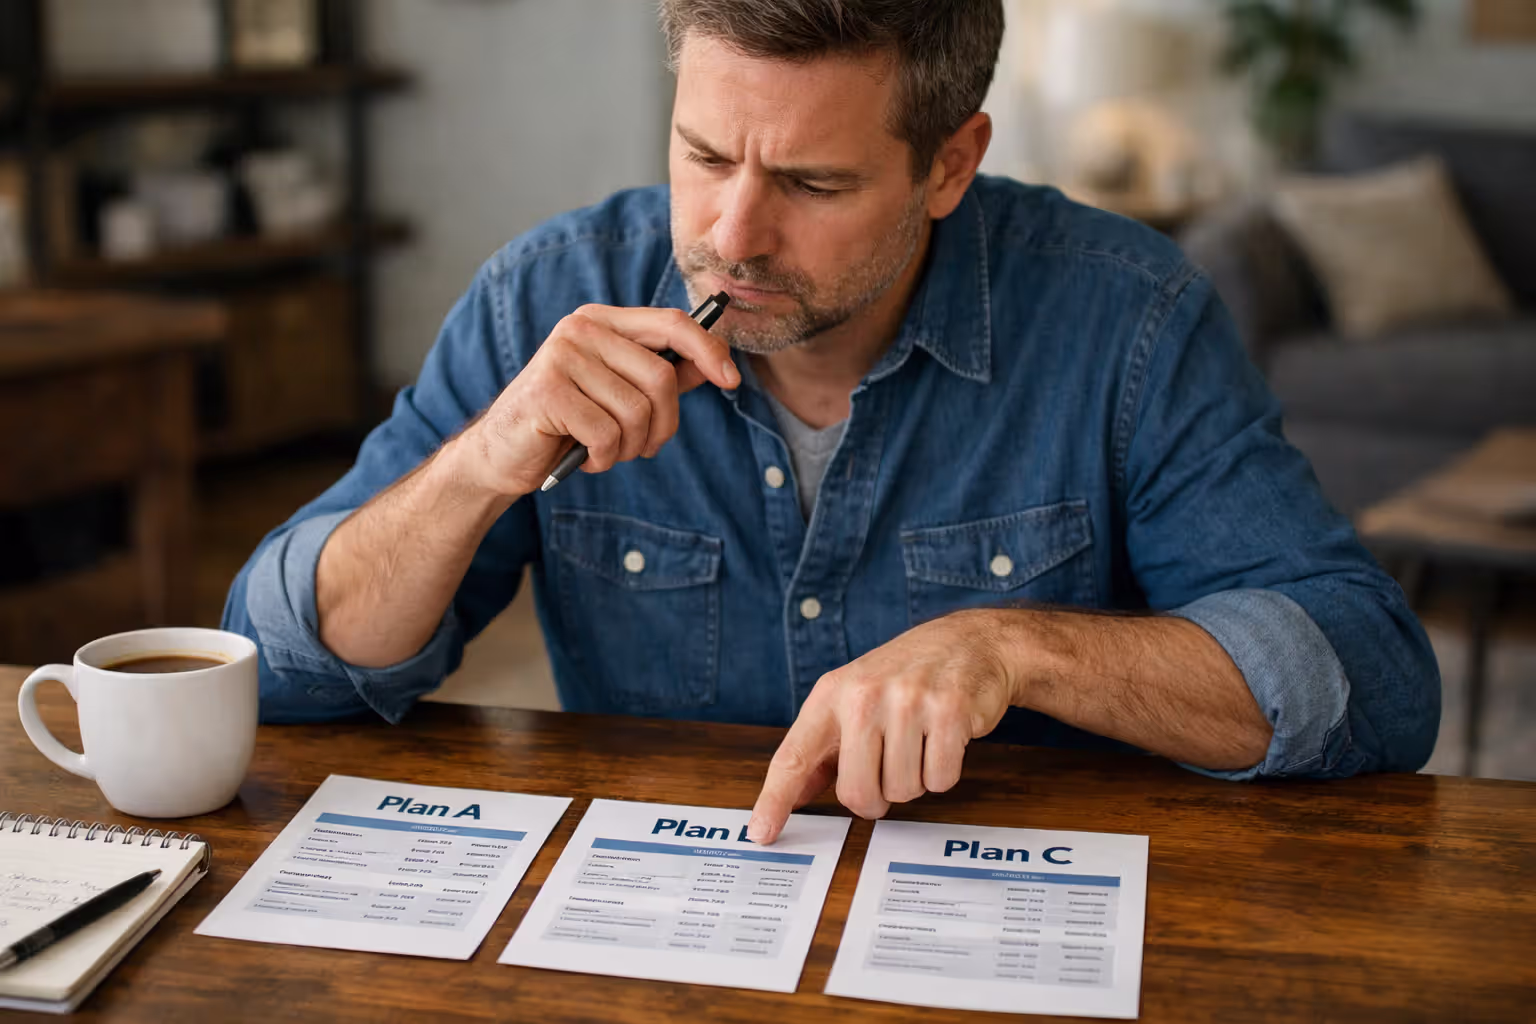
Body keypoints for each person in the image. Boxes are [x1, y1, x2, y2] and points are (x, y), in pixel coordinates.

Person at [223, 0, 1440, 845]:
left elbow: (1370, 677)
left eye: (813, 184)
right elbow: (276, 672)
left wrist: (1018, 650)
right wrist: (477, 466)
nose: (733, 234)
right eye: (702, 154)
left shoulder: (1125, 316)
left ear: (952, 164)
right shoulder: (542, 297)